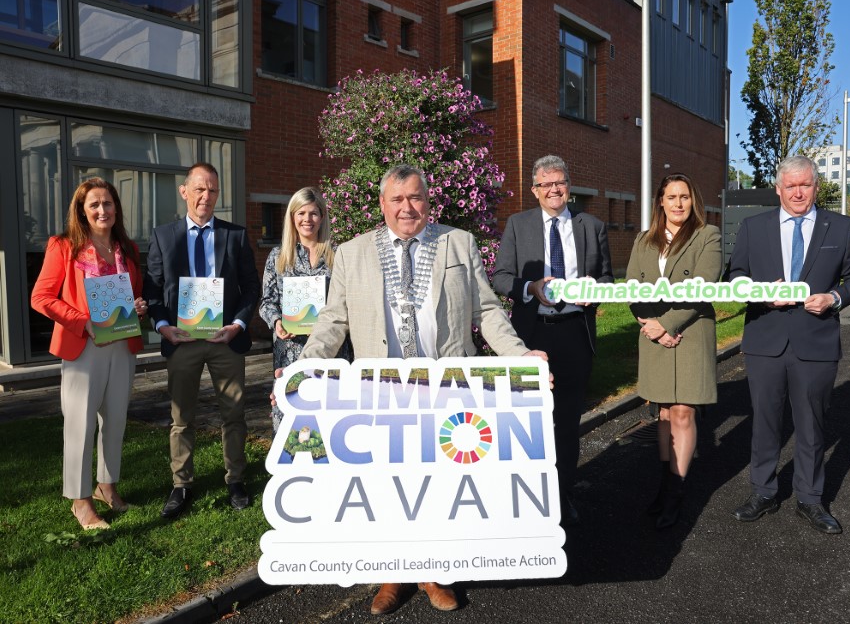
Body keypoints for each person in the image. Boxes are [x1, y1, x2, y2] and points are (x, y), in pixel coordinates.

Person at [293, 164, 548, 615]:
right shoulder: (353, 253)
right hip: (382, 392)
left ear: (428, 202)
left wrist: (520, 354)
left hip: (446, 389)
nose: (407, 207)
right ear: (382, 204)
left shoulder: (458, 242)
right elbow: (334, 320)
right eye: (397, 199)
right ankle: (394, 573)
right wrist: (305, 369)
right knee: (390, 483)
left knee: (440, 483)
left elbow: (486, 311)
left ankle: (434, 572)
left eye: (415, 198)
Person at [728, 156, 850, 534]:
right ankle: (763, 492)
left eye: (804, 185)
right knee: (765, 422)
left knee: (812, 424)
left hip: (816, 341)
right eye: (789, 185)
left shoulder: (840, 227)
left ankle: (810, 499)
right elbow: (736, 277)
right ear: (777, 188)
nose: (797, 192)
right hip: (765, 339)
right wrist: (760, 294)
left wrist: (834, 298)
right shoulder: (752, 227)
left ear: (816, 186)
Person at [492, 155, 613, 526]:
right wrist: (529, 287)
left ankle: (561, 497)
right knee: (529, 422)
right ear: (534, 190)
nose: (554, 189)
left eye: (559, 182)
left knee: (566, 422)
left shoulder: (590, 225)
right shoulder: (518, 224)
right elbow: (499, 278)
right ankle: (529, 499)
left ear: (569, 185)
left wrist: (598, 291)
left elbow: (607, 280)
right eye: (545, 184)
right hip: (531, 336)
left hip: (576, 334)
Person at [144, 162, 261, 519]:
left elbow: (250, 287)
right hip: (181, 340)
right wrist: (163, 326)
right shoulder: (164, 236)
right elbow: (152, 289)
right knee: (181, 417)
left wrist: (239, 325)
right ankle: (181, 485)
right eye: (199, 189)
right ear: (184, 191)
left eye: (212, 190)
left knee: (234, 415)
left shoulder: (235, 235)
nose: (205, 196)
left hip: (225, 338)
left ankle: (236, 479)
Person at [31, 177, 147, 530]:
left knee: (115, 420)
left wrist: (138, 306)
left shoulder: (127, 248)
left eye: (107, 203)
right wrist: (84, 322)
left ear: (116, 208)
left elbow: (134, 292)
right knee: (80, 424)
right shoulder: (63, 246)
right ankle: (80, 501)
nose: (102, 210)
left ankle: (106, 487)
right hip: (83, 347)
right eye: (94, 204)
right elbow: (42, 297)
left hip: (122, 345)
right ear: (81, 211)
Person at [625, 173, 722, 529]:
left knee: (683, 413)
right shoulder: (643, 240)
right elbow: (632, 287)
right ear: (660, 202)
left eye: (684, 196)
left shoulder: (707, 235)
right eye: (671, 197)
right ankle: (665, 484)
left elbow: (704, 286)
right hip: (652, 334)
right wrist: (649, 324)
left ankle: (676, 493)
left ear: (692, 201)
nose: (679, 203)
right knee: (663, 414)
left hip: (690, 332)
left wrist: (668, 325)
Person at [258, 187, 350, 436]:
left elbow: (348, 302)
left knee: (332, 417)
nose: (307, 220)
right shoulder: (278, 256)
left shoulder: (339, 255)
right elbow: (267, 301)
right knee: (290, 412)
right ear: (291, 217)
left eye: (313, 213)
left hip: (332, 350)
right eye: (301, 213)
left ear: (322, 217)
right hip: (290, 351)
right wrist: (276, 322)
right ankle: (291, 470)